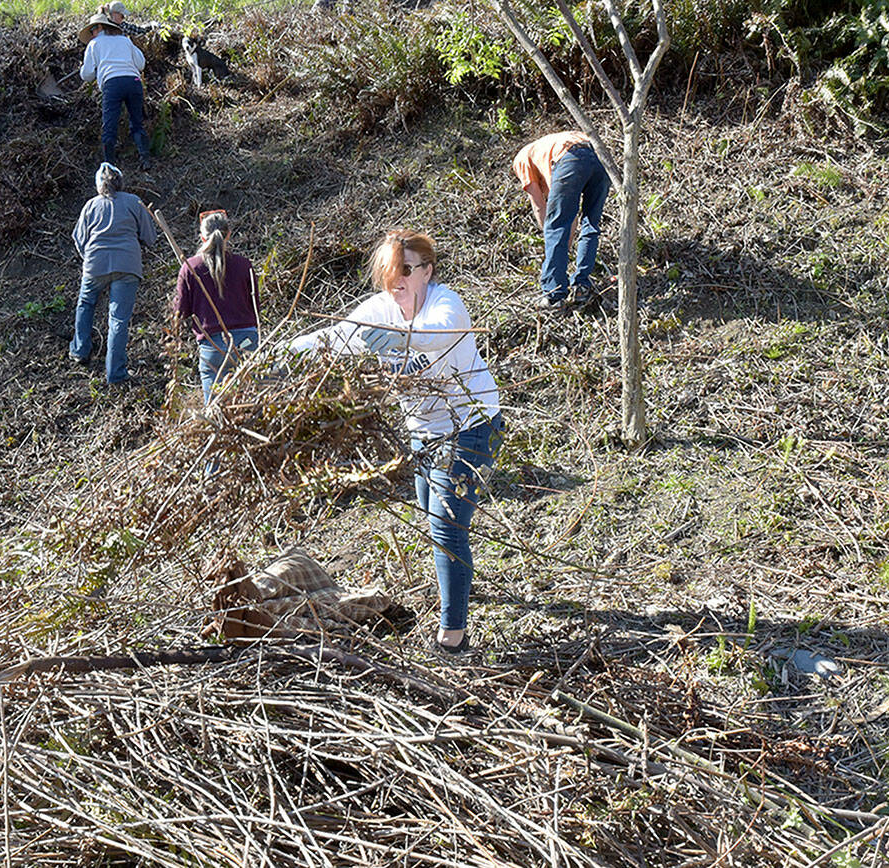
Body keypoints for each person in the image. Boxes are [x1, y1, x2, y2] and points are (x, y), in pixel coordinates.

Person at [289, 230, 502, 655]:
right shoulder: (382, 309)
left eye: (406, 269)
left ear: (427, 270)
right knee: (432, 515)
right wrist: (290, 351)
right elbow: (338, 336)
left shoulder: (447, 303)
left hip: (470, 425)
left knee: (446, 529)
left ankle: (453, 637)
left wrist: (405, 340)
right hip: (424, 433)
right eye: (390, 271)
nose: (397, 279)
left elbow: (440, 335)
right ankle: (457, 586)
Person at [71, 162, 157, 385]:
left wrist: (89, 257)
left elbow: (79, 239)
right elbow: (150, 237)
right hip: (127, 265)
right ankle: (115, 373)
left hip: (95, 264)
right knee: (118, 319)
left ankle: (80, 350)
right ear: (120, 181)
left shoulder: (91, 205)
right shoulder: (134, 202)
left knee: (86, 303)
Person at [512, 131, 611, 311]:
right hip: (600, 157)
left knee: (555, 227)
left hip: (570, 158)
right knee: (591, 224)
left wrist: (552, 242)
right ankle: (582, 287)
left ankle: (553, 295)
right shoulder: (548, 151)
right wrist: (563, 244)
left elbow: (540, 206)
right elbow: (568, 216)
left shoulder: (522, 159)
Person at [173, 210, 260, 402]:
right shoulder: (245, 265)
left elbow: (181, 312)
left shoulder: (191, 268)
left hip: (213, 345)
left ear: (202, 237)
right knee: (252, 401)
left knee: (214, 410)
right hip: (247, 341)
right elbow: (256, 308)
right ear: (229, 234)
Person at [78, 10, 150, 169]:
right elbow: (141, 64)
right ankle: (145, 159)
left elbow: (87, 74)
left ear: (98, 28)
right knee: (137, 123)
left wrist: (83, 69)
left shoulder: (94, 44)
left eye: (92, 30)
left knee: (109, 126)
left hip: (112, 84)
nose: (91, 34)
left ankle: (109, 166)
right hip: (133, 81)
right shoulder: (124, 40)